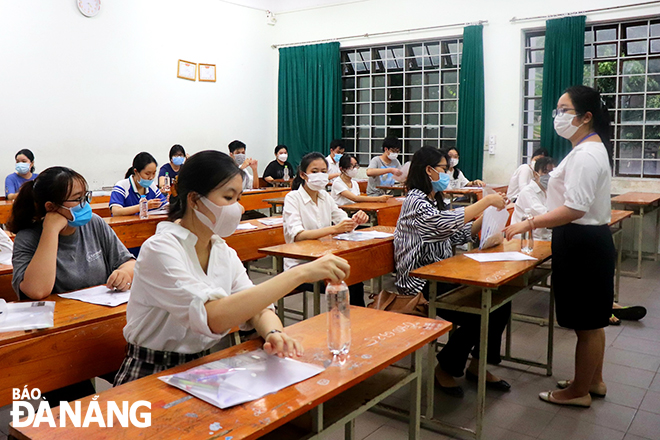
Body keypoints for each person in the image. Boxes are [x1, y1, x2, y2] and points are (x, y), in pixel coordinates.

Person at [114, 151, 350, 385]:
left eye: (238, 198)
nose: (238, 209)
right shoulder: (160, 249)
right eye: (228, 198)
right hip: (151, 371)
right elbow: (211, 316)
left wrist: (274, 333)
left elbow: (256, 307)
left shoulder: (221, 250)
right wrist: (301, 272)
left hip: (202, 364)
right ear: (194, 199)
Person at [505, 85, 616, 408]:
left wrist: (528, 223)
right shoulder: (589, 149)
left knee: (587, 323)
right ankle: (592, 380)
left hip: (581, 241)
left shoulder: (585, 154)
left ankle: (577, 391)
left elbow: (575, 208)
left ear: (586, 117)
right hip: (586, 240)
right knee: (593, 321)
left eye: (564, 110)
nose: (558, 116)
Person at [8, 166, 135, 402]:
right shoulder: (29, 237)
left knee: (137, 384)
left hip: (101, 332)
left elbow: (129, 262)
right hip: (57, 345)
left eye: (86, 196)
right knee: (77, 407)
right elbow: (38, 290)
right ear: (51, 208)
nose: (85, 204)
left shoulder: (94, 223)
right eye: (78, 199)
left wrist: (124, 273)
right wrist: (51, 230)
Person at [394, 146, 509, 398]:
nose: (448, 173)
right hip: (419, 284)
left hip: (442, 275)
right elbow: (442, 224)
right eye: (444, 169)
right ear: (429, 170)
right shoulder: (415, 201)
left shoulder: (436, 199)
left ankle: (478, 367)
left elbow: (456, 233)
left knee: (500, 301)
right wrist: (485, 201)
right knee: (478, 313)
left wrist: (488, 212)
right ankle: (445, 368)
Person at [283, 152, 369, 306]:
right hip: (301, 265)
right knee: (345, 280)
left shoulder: (325, 196)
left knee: (356, 276)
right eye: (314, 172)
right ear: (303, 175)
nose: (320, 176)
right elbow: (298, 235)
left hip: (324, 257)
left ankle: (357, 321)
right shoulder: (293, 198)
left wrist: (355, 220)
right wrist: (334, 229)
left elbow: (342, 219)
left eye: (324, 172)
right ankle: (342, 322)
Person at [510, 156, 554, 241]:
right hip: (526, 239)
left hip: (545, 237)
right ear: (535, 174)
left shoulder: (549, 190)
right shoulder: (528, 192)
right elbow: (545, 217)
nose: (548, 176)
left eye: (551, 172)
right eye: (545, 172)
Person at [110, 152, 166, 216]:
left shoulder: (152, 186)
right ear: (136, 172)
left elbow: (164, 204)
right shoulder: (122, 186)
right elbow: (116, 212)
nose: (151, 177)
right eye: (147, 174)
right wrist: (144, 206)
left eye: (154, 173)